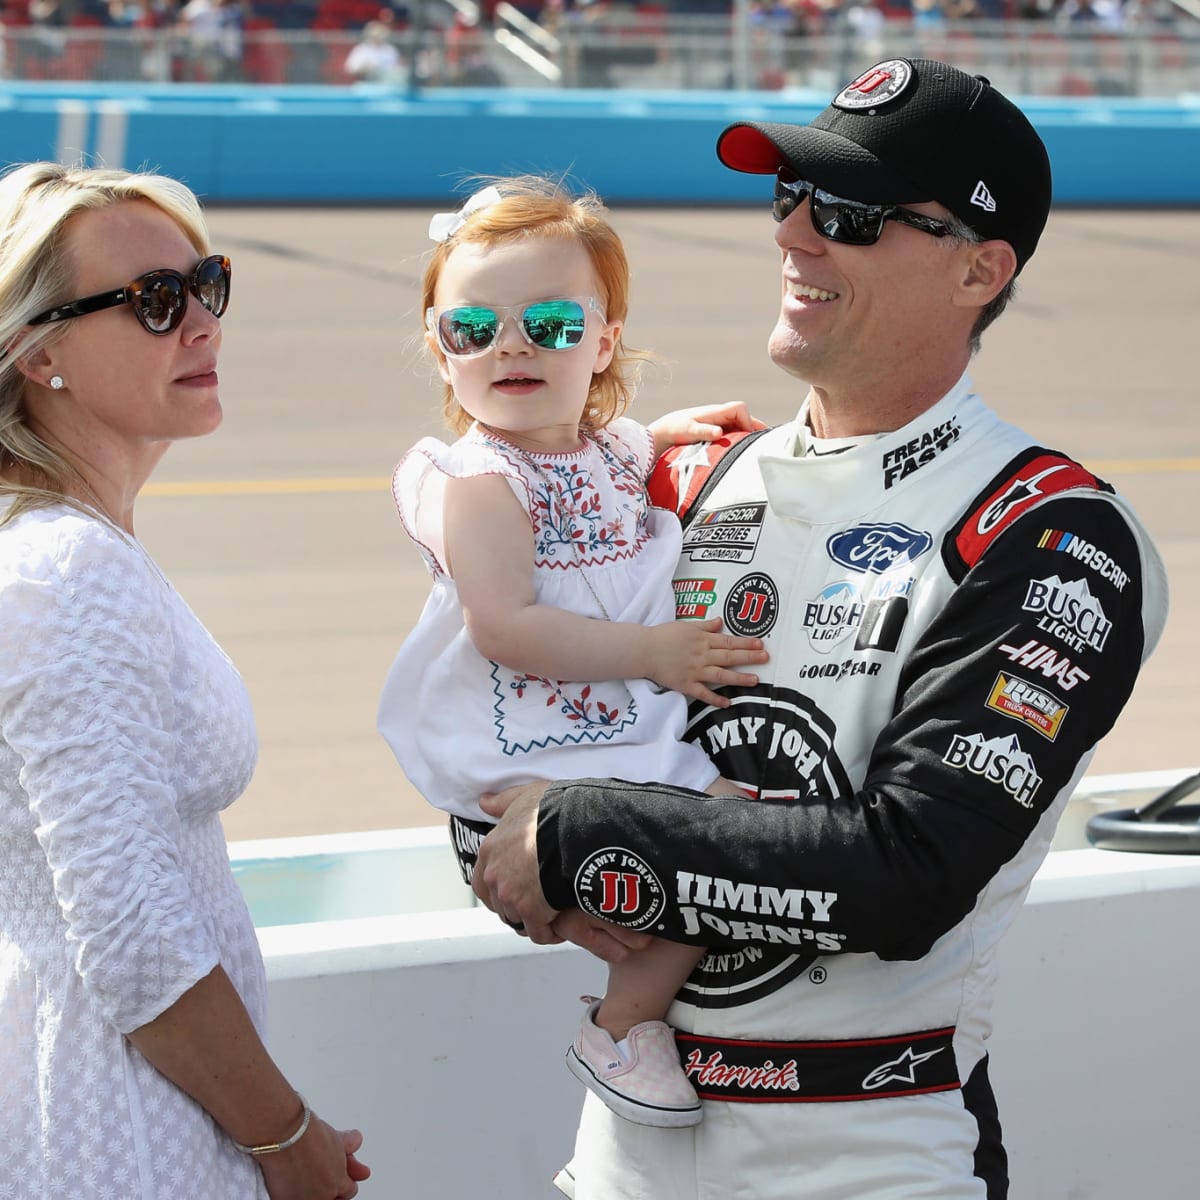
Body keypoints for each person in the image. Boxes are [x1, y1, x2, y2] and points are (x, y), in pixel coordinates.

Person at [469, 58, 1170, 1199]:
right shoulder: (687, 477)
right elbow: (508, 725)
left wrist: (586, 837)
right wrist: (508, 850)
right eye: (788, 196)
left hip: (873, 1151)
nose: (796, 236)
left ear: (980, 270)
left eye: (846, 214)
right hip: (628, 1143)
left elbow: (911, 872)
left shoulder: (1050, 535)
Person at [0, 162, 370, 1199]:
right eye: (155, 302)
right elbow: (131, 935)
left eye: (207, 285)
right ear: (39, 353)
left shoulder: (64, 553)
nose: (201, 324)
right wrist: (285, 1137)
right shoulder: (65, 572)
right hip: (120, 1127)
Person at [376, 176, 769, 1128]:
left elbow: (619, 448)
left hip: (599, 723)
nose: (511, 346)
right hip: (533, 738)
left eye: (549, 325)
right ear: (441, 347)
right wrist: (656, 653)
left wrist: (674, 435)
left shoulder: (598, 446)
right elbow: (504, 625)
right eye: (475, 329)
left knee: (728, 838)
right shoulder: (478, 478)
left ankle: (633, 1003)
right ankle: (624, 1031)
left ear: (603, 341)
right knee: (721, 830)